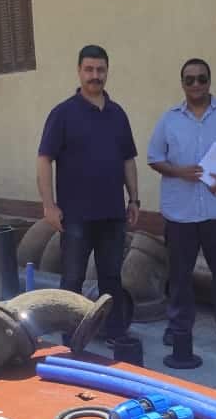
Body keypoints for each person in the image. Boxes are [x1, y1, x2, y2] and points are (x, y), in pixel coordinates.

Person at [148, 58, 216, 347]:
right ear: (182, 84)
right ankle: (178, 327)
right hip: (181, 212)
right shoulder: (169, 120)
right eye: (190, 79)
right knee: (179, 275)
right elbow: (154, 158)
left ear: (209, 81)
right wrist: (178, 172)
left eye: (201, 78)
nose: (196, 84)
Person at [37, 45, 140, 344]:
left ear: (107, 71)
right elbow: (44, 160)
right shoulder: (63, 114)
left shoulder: (117, 114)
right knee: (72, 280)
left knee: (111, 278)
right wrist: (48, 205)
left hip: (112, 214)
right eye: (89, 69)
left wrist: (134, 199)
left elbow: (128, 160)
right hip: (76, 216)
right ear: (79, 71)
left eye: (100, 70)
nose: (95, 75)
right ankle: (71, 341)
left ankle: (114, 333)